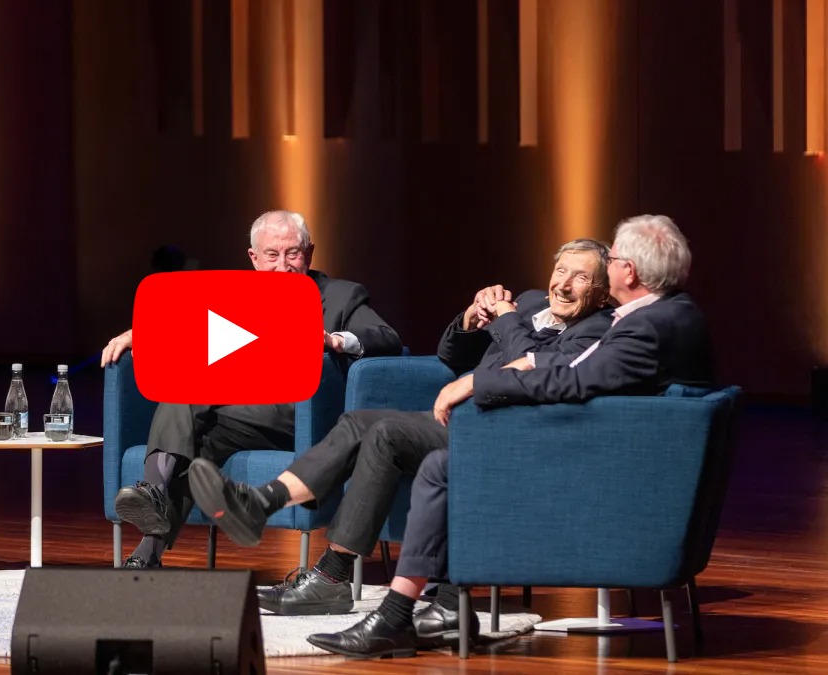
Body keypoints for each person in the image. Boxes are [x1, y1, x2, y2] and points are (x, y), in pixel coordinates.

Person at [307, 214, 714, 659]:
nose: (566, 283)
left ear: (627, 272)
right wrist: (483, 333)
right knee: (423, 455)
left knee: (431, 460)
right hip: (577, 438)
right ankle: (419, 605)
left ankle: (398, 606)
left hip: (585, 457)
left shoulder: (640, 325)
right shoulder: (665, 313)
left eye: (603, 263)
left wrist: (479, 382)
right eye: (561, 270)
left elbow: (571, 382)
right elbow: (564, 371)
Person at [187, 239, 614, 615]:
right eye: (561, 270)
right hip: (464, 418)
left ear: (601, 290)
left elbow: (530, 368)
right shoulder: (533, 301)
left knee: (386, 434)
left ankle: (327, 575)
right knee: (358, 422)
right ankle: (263, 504)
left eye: (580, 277)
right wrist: (471, 317)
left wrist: (505, 320)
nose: (563, 284)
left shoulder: (599, 329)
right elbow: (452, 356)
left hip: (506, 431)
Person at [102, 210, 403, 569]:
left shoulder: (341, 295)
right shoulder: (238, 296)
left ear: (309, 252)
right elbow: (186, 328)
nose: (283, 266)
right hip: (237, 416)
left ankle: (152, 495)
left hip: (299, 415)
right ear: (254, 258)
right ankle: (149, 533)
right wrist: (136, 336)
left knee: (192, 398)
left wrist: (336, 341)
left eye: (293, 253)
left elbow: (387, 338)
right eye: (272, 256)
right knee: (190, 434)